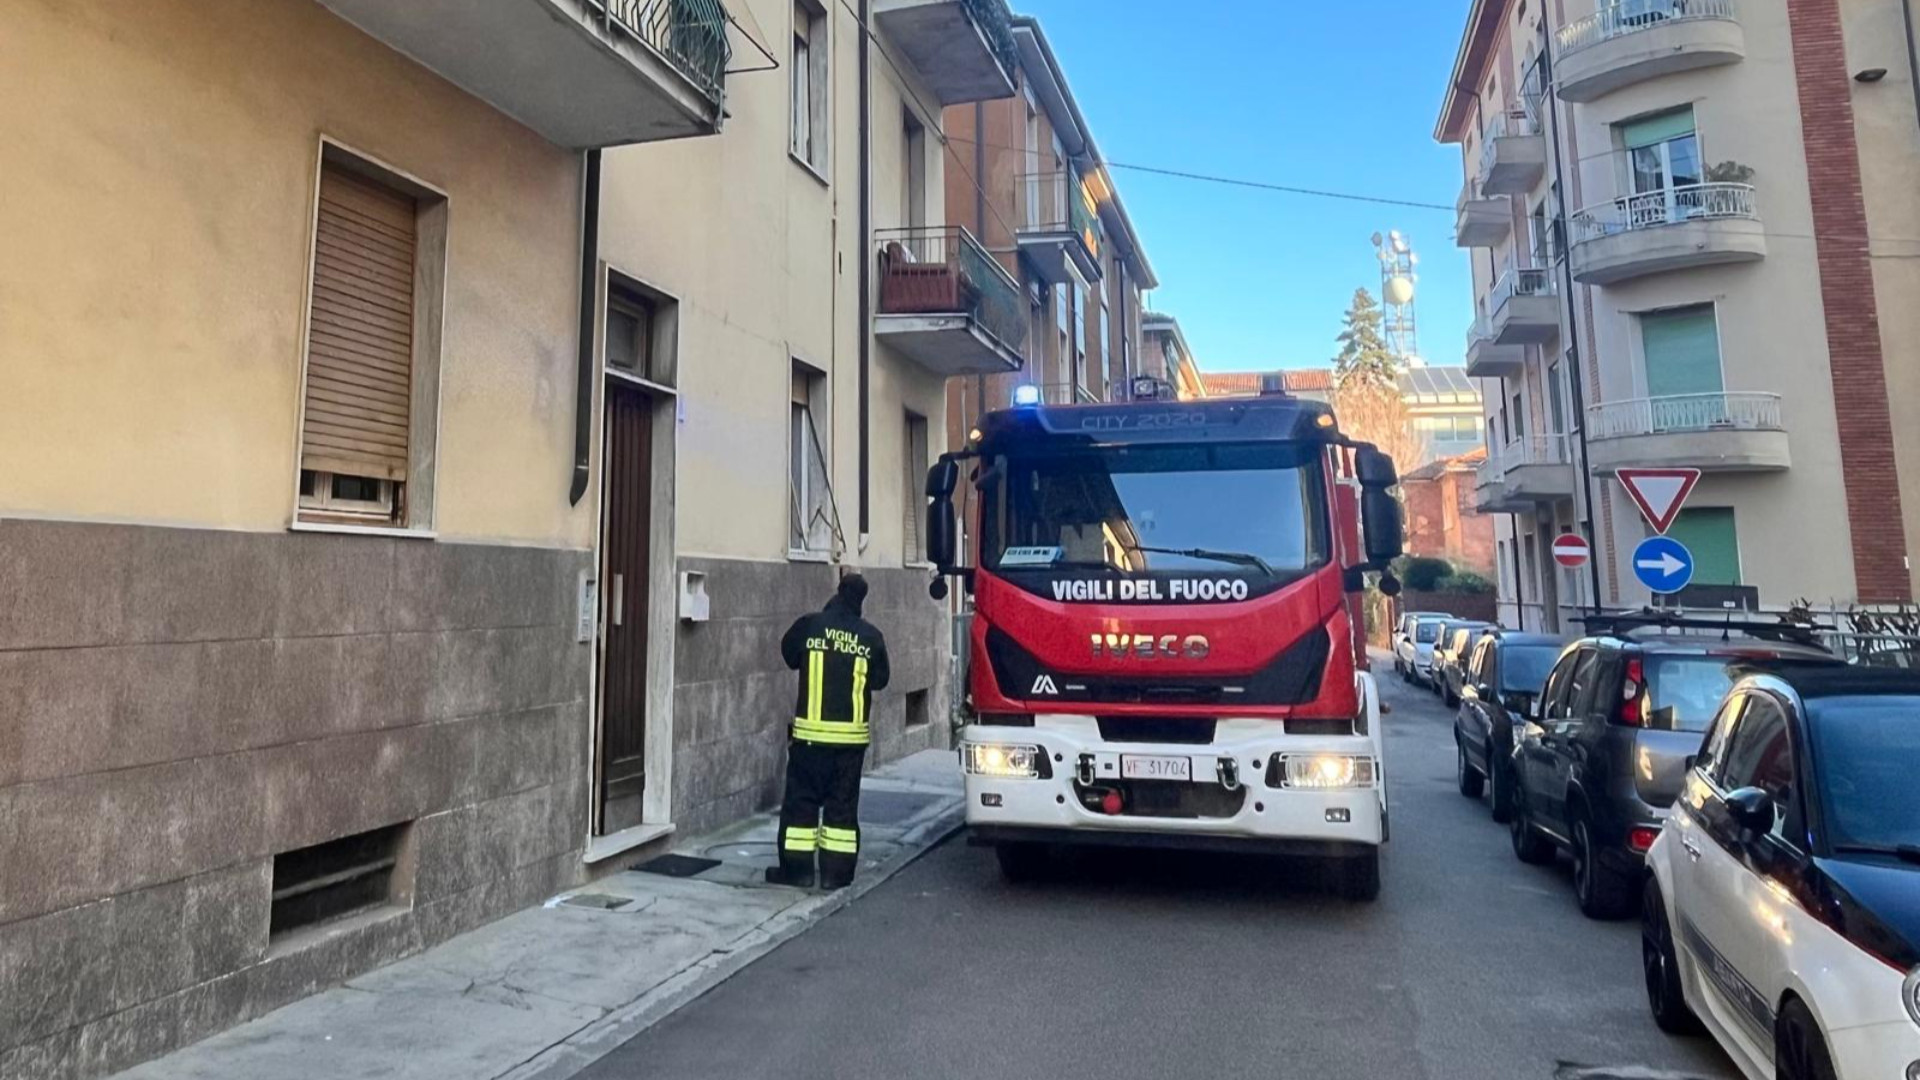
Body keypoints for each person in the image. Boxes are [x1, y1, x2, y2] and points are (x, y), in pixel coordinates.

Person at [768, 572, 891, 889]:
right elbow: (880, 680)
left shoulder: (810, 625)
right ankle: (836, 875)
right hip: (850, 745)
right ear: (861, 601)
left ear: (838, 592)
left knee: (801, 806)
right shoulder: (870, 636)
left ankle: (798, 872)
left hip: (810, 740)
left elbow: (788, 654)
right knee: (841, 810)